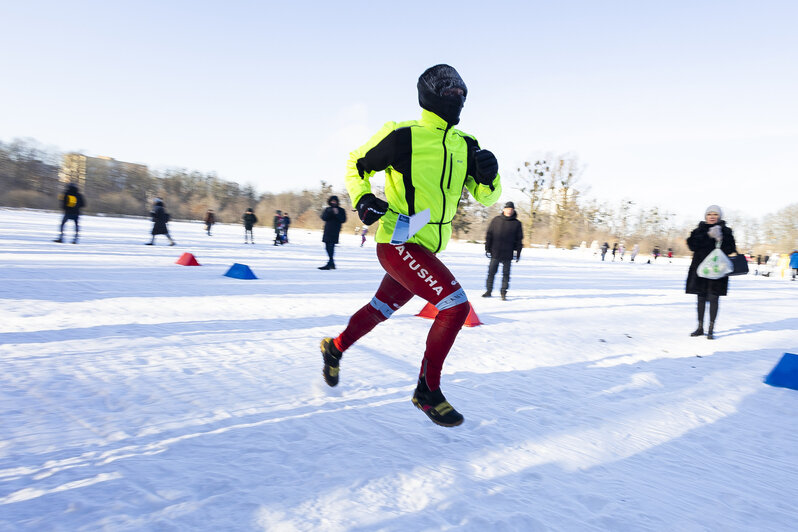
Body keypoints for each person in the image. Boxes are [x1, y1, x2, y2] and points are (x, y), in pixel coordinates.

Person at [319, 64, 502, 427]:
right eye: (449, 92)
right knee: (455, 307)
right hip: (398, 240)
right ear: (430, 95)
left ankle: (334, 348)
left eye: (461, 94)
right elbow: (356, 163)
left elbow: (485, 196)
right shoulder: (404, 135)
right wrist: (362, 198)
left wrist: (492, 174)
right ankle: (427, 390)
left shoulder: (466, 144)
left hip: (427, 247)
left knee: (380, 308)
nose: (456, 98)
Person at [686, 205, 737, 339]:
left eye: (715, 214)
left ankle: (711, 328)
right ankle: (700, 327)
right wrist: (707, 235)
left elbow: (731, 249)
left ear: (719, 216)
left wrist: (721, 238)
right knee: (701, 298)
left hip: (717, 270)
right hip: (701, 270)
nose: (712, 216)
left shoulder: (726, 231)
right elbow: (692, 245)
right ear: (706, 216)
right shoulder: (699, 230)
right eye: (709, 214)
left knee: (714, 298)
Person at [483, 201, 523, 300]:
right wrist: (487, 248)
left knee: (506, 274)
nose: (509, 211)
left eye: (511, 209)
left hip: (508, 253)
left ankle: (503, 292)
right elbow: (489, 235)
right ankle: (488, 291)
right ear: (504, 209)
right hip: (495, 252)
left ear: (513, 210)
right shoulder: (496, 220)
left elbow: (519, 240)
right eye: (507, 209)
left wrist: (518, 253)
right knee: (491, 273)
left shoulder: (517, 224)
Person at [318, 196, 346, 269]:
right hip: (327, 230)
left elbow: (343, 220)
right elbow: (323, 218)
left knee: (331, 246)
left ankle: (330, 263)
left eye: (335, 201)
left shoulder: (341, 210)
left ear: (337, 202)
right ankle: (331, 263)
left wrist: (337, 213)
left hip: (335, 231)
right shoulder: (327, 209)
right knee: (327, 246)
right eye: (332, 201)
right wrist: (330, 212)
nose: (333, 202)